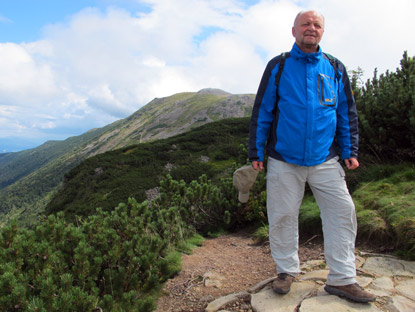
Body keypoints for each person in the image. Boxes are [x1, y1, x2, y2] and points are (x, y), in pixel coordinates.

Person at [248, 10, 376, 303]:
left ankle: (342, 279)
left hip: (325, 158)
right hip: (283, 158)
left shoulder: (334, 67)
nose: (311, 28)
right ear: (294, 31)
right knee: (281, 216)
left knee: (342, 212)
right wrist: (256, 151)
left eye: (317, 25)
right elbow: (263, 110)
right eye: (305, 24)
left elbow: (345, 112)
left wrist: (350, 150)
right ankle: (286, 271)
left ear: (322, 32)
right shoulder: (278, 66)